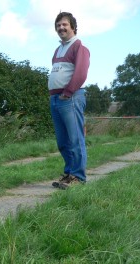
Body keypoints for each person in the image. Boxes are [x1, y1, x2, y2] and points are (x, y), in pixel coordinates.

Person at [48, 12, 90, 189]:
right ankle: (69, 174)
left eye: (64, 24)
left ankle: (78, 177)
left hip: (70, 97)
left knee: (75, 139)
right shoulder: (58, 50)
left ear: (73, 26)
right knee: (63, 141)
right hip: (56, 99)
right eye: (58, 25)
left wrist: (68, 91)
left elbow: (80, 72)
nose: (61, 28)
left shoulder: (79, 47)